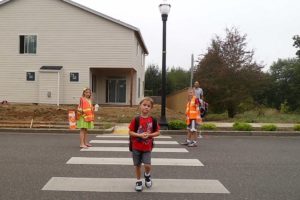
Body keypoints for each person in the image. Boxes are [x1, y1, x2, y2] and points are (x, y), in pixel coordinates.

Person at [128, 97, 160, 192]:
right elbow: (130, 132)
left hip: (147, 147)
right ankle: (138, 181)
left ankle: (147, 174)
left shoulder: (152, 120)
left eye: (148, 106)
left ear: (151, 108)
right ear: (140, 106)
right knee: (137, 165)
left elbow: (157, 132)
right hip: (136, 147)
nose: (146, 107)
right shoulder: (136, 119)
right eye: (144, 105)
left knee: (147, 165)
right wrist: (139, 135)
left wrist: (149, 135)